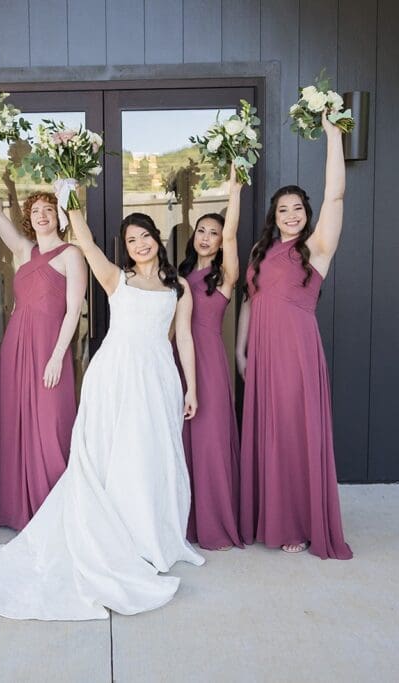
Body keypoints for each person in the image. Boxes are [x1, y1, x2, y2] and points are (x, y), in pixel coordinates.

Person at [0, 207, 204, 620]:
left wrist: (191, 385)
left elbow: (183, 338)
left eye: (145, 236)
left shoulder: (180, 287)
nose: (140, 244)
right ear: (127, 248)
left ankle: (150, 537)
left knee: (152, 457)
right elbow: (87, 242)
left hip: (157, 379)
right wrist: (71, 195)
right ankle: (115, 539)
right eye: (132, 240)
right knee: (110, 458)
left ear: (157, 238)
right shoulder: (118, 278)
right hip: (114, 377)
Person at [235, 113, 353, 560]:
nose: (289, 216)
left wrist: (333, 136)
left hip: (297, 354)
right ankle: (270, 515)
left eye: (297, 209)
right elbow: (250, 301)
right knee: (269, 433)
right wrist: (241, 351)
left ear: (306, 215)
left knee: (292, 433)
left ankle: (297, 522)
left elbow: (336, 193)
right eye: (282, 210)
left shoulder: (317, 248)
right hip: (263, 354)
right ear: (274, 216)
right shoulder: (260, 251)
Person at [0, 147, 87, 529]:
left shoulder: (72, 254)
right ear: (30, 218)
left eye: (48, 210)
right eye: (35, 211)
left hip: (51, 348)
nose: (41, 215)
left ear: (58, 216)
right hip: (18, 346)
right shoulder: (23, 250)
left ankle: (57, 510)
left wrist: (58, 356)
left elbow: (73, 311)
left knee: (53, 425)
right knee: (15, 422)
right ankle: (18, 509)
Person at [175, 165, 243, 550]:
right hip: (177, 359)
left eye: (214, 233)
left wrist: (233, 191)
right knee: (182, 443)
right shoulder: (181, 273)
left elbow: (232, 232)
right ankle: (186, 521)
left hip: (209, 360)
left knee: (210, 440)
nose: (207, 237)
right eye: (201, 230)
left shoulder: (226, 275)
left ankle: (215, 522)